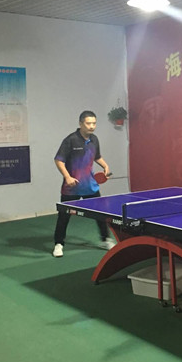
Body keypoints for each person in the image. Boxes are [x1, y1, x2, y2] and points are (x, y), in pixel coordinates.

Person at [53, 110, 113, 257]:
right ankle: (59, 244)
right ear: (80, 124)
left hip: (90, 186)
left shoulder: (94, 139)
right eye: (88, 123)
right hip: (71, 187)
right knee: (64, 216)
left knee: (100, 214)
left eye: (94, 123)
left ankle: (105, 239)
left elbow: (97, 156)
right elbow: (58, 160)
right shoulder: (71, 140)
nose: (92, 126)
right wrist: (67, 177)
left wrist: (105, 166)